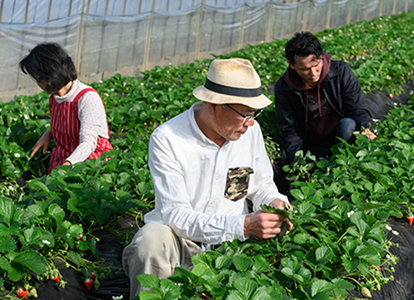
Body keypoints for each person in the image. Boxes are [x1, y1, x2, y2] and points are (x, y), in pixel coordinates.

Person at [122, 58, 293, 297]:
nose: (251, 123)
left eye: (255, 113)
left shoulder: (250, 131)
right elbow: (175, 215)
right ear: (213, 105)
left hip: (232, 247)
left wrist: (274, 200)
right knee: (151, 240)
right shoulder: (168, 139)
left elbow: (261, 184)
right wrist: (243, 226)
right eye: (245, 114)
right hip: (182, 241)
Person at [274, 32, 377, 165]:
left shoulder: (340, 72)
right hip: (312, 143)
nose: (313, 73)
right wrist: (295, 161)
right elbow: (290, 128)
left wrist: (367, 129)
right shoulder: (285, 87)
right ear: (291, 64)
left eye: (316, 65)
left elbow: (357, 107)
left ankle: (342, 161)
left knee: (347, 124)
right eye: (305, 69)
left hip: (342, 137)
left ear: (321, 57)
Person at [19, 43, 112, 173]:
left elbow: (88, 144)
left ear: (51, 75)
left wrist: (66, 167)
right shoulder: (55, 98)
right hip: (65, 157)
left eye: (39, 80)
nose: (39, 84)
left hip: (92, 162)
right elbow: (66, 124)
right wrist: (49, 133)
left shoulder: (87, 98)